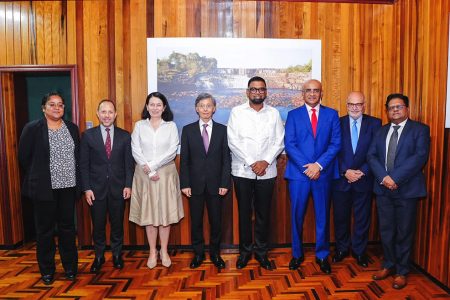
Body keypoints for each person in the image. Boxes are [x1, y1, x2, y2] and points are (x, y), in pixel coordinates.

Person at [367, 93, 430, 289]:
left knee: (404, 231)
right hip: (383, 189)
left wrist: (395, 178)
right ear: (387, 110)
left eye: (399, 106)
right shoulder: (380, 131)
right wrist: (384, 178)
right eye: (391, 107)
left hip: (407, 190)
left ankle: (402, 271)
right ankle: (388, 264)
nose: (395, 110)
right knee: (386, 231)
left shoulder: (420, 130)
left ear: (407, 109)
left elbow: (419, 157)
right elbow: (371, 156)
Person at [18, 92, 80, 285]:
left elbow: (76, 157)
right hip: (44, 189)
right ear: (44, 108)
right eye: (52, 104)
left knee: (67, 229)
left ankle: (70, 267)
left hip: (68, 187)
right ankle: (47, 270)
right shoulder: (32, 128)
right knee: (45, 231)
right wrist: (40, 176)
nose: (57, 108)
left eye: (60, 105)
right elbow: (24, 157)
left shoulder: (71, 128)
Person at [227, 76, 284, 270]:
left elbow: (279, 141)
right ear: (247, 92)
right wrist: (253, 163)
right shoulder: (236, 112)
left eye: (261, 89)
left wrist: (265, 161)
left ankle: (261, 253)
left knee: (263, 214)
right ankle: (244, 253)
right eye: (254, 89)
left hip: (267, 171)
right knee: (244, 214)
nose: (257, 92)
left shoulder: (274, 113)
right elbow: (233, 141)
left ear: (266, 92)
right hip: (242, 171)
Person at [284, 79, 341, 274]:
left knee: (323, 216)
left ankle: (322, 255)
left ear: (321, 93)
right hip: (299, 176)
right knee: (296, 216)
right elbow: (290, 144)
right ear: (302, 93)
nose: (312, 94)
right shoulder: (293, 115)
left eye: (316, 91)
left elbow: (335, 144)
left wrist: (318, 165)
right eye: (308, 90)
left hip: (323, 174)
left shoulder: (332, 115)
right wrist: (307, 168)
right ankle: (297, 254)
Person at [129, 92, 184, 269]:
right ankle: (153, 251)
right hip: (144, 175)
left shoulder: (171, 126)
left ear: (164, 107)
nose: (155, 108)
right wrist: (148, 168)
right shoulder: (139, 126)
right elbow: (135, 149)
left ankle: (164, 251)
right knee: (150, 215)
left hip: (165, 174)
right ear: (147, 106)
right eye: (151, 104)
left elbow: (172, 150)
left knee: (165, 215)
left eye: (158, 104)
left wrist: (153, 166)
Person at [80, 100, 134, 273]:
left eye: (110, 112)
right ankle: (99, 256)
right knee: (98, 225)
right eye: (103, 112)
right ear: (98, 113)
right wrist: (87, 188)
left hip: (119, 189)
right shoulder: (88, 136)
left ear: (115, 114)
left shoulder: (125, 136)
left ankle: (117, 255)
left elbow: (128, 164)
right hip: (96, 191)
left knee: (117, 225)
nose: (107, 115)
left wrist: (128, 185)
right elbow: (84, 165)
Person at [180, 93, 231, 269]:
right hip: (194, 186)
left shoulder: (223, 130)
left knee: (216, 222)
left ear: (214, 108)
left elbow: (226, 159)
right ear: (196, 108)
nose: (205, 109)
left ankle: (215, 254)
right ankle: (198, 254)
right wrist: (185, 184)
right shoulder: (187, 130)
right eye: (202, 106)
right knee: (196, 222)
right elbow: (184, 160)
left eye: (209, 106)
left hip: (217, 186)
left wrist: (225, 183)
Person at [331, 92, 381, 267]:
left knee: (362, 218)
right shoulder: (337, 122)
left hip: (364, 179)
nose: (354, 107)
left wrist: (362, 171)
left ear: (364, 105)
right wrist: (345, 171)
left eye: (358, 104)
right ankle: (342, 249)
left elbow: (377, 152)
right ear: (346, 104)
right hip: (341, 180)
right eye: (351, 104)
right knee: (340, 217)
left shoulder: (375, 124)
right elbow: (332, 151)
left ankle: (359, 251)